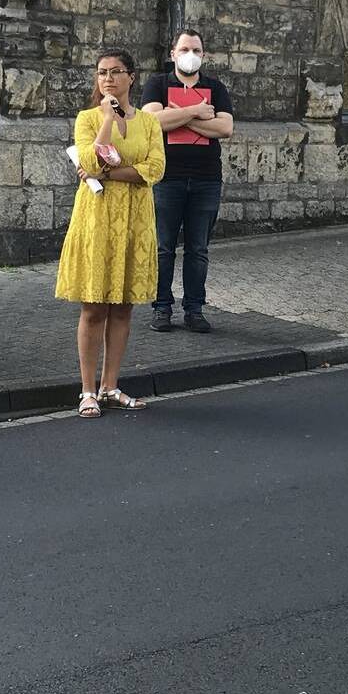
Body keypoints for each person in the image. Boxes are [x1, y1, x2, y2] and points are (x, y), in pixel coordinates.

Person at [57, 49, 163, 418]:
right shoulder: (88, 118)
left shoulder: (149, 123)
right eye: (102, 72)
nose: (108, 79)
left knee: (122, 308)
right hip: (98, 218)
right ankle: (87, 390)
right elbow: (89, 160)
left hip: (135, 218)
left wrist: (107, 174)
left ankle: (110, 385)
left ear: (132, 77)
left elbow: (154, 168)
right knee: (93, 307)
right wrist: (107, 116)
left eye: (116, 72)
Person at [140, 28, 233, 333]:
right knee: (163, 247)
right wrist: (197, 112)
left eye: (196, 50)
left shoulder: (216, 88)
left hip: (206, 179)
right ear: (173, 54)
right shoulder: (157, 84)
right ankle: (162, 308)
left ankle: (194, 309)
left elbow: (225, 129)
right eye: (184, 49)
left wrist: (179, 116)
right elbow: (151, 122)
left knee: (198, 249)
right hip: (167, 178)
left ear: (203, 55)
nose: (190, 55)